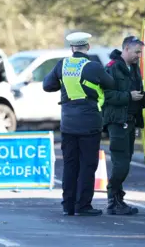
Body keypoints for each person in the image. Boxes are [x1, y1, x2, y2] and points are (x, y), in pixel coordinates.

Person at [42, 32, 115, 216]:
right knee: (88, 165)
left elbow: (47, 85)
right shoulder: (94, 67)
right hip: (89, 124)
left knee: (70, 164)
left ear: (72, 48)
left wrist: (64, 82)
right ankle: (82, 206)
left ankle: (68, 206)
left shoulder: (62, 65)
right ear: (87, 47)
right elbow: (110, 83)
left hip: (68, 123)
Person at [102, 36, 145, 215]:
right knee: (120, 163)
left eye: (140, 52)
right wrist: (129, 96)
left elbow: (132, 94)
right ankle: (112, 199)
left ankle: (118, 200)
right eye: (137, 52)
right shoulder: (112, 67)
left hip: (130, 120)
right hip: (117, 121)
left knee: (125, 162)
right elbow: (107, 96)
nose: (139, 55)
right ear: (126, 49)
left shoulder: (134, 68)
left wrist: (144, 98)